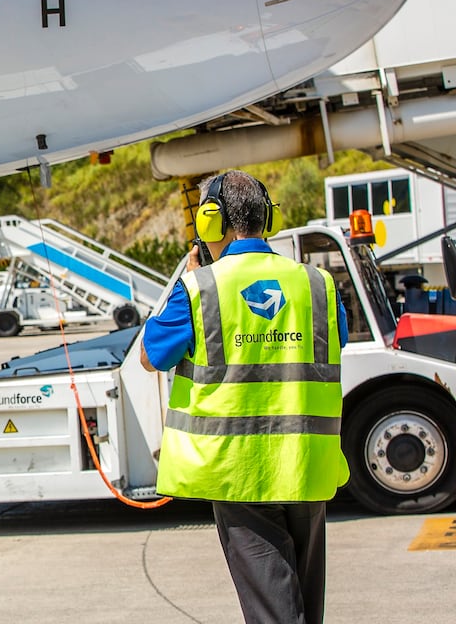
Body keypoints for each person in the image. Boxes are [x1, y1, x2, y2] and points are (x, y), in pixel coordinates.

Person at [141, 170, 349, 624]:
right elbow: (337, 341)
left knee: (273, 609)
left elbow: (151, 355)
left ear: (211, 223)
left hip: (238, 470)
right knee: (304, 603)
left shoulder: (200, 288)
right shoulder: (318, 285)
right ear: (268, 218)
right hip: (307, 464)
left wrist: (188, 284)